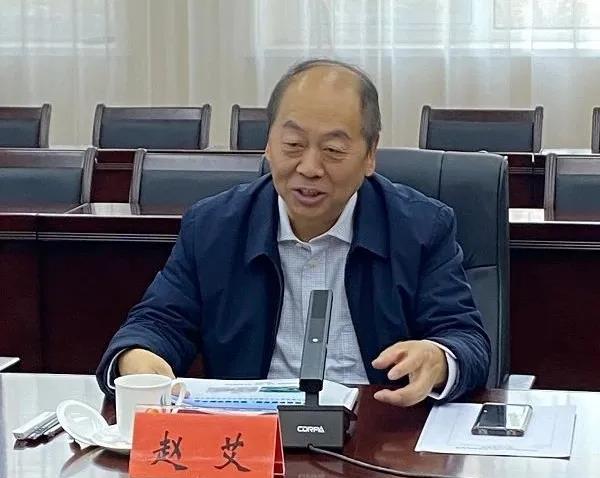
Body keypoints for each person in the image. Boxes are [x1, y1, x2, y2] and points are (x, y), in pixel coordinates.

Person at [96, 58, 490, 406]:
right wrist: (139, 357)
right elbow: (158, 322)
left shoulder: (420, 228)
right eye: (293, 144)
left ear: (370, 155)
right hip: (253, 435)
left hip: (377, 435)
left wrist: (438, 358)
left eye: (333, 150)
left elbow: (465, 340)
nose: (310, 168)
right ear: (268, 144)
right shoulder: (214, 227)